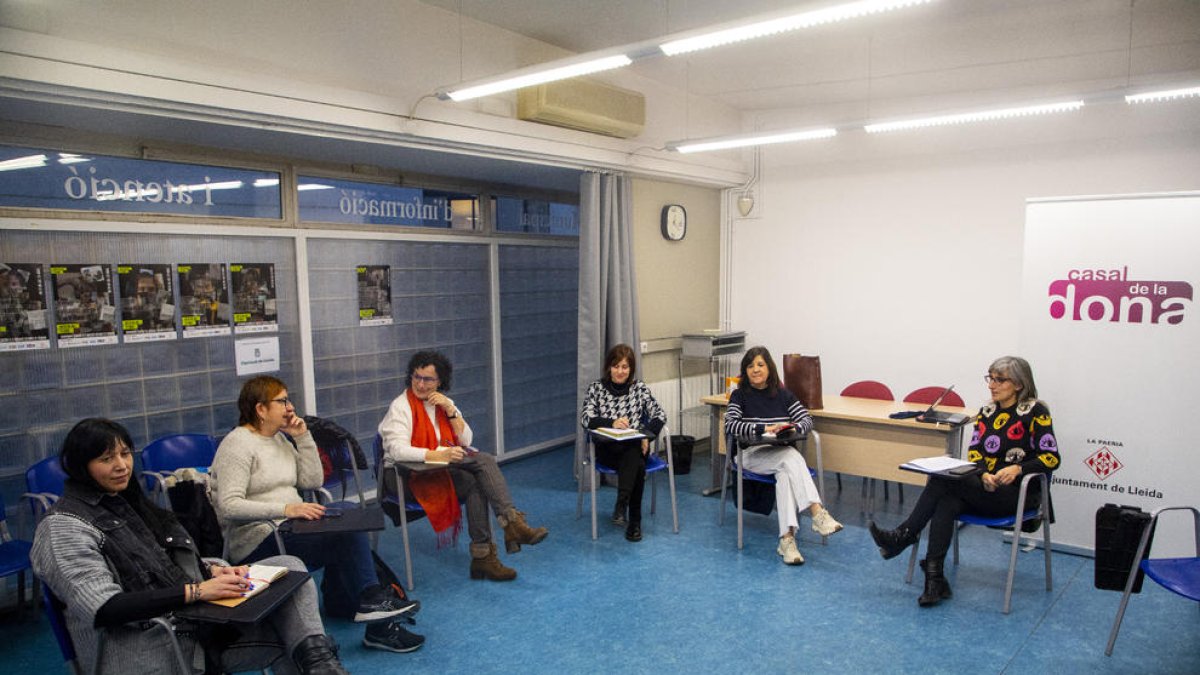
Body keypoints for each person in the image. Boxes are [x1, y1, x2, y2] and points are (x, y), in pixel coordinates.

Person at [30, 418, 350, 675]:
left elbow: (158, 563)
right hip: (152, 644)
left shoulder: (125, 503)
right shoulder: (63, 526)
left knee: (290, 567)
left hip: (189, 621)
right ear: (80, 467)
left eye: (125, 454)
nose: (121, 466)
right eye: (106, 458)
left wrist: (211, 569)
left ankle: (321, 664)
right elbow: (105, 608)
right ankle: (322, 666)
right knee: (291, 634)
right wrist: (197, 592)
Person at [210, 375, 424, 653]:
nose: (290, 407)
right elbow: (229, 505)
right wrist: (287, 508)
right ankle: (373, 610)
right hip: (257, 539)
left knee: (349, 521)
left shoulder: (280, 440)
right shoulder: (237, 445)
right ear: (260, 409)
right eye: (282, 401)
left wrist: (303, 437)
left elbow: (312, 481)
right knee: (346, 521)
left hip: (290, 527)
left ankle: (371, 606)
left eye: (288, 399)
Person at [868, 356, 1061, 607]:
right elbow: (976, 454)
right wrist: (982, 474)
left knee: (941, 481)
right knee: (946, 501)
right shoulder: (987, 411)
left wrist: (1017, 468)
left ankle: (904, 535)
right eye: (990, 378)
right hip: (984, 489)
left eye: (999, 380)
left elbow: (1051, 457)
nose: (992, 385)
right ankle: (934, 579)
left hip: (1017, 494)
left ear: (1018, 384)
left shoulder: (1035, 410)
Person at [378, 350, 548, 581]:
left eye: (428, 379)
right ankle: (512, 524)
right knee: (485, 460)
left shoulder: (443, 404)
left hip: (435, 471)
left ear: (440, 382)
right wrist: (440, 454)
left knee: (476, 482)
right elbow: (398, 451)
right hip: (402, 477)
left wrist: (450, 411)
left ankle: (483, 559)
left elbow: (466, 440)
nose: (420, 383)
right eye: (416, 377)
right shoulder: (400, 407)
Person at [724, 346, 844, 565]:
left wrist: (792, 429)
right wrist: (764, 429)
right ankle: (817, 512)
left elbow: (807, 421)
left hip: (778, 455)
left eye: (760, 365)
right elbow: (732, 425)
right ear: (745, 371)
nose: (755, 370)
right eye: (750, 366)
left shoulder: (784, 395)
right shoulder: (739, 396)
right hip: (749, 454)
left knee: (785, 472)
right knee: (790, 458)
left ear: (769, 368)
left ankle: (787, 540)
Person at [580, 343, 667, 542]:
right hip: (607, 450)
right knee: (637, 462)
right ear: (609, 367)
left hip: (635, 445)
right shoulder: (597, 388)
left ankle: (622, 505)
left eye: (625, 367)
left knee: (634, 450)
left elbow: (660, 414)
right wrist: (612, 422)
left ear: (631, 369)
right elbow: (586, 418)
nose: (620, 371)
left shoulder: (639, 389)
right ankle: (634, 520)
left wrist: (646, 435)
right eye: (616, 366)